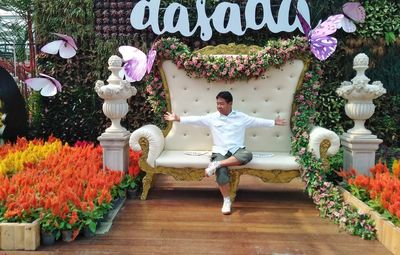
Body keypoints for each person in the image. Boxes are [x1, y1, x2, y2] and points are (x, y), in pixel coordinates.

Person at [164, 91, 286, 215]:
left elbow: (257, 121)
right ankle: (226, 200)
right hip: (220, 150)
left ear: (230, 103)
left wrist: (274, 122)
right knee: (221, 171)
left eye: (221, 104)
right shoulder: (212, 117)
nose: (219, 106)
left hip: (237, 150)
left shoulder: (241, 117)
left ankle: (217, 164)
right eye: (217, 104)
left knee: (247, 155)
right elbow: (196, 119)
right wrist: (177, 118)